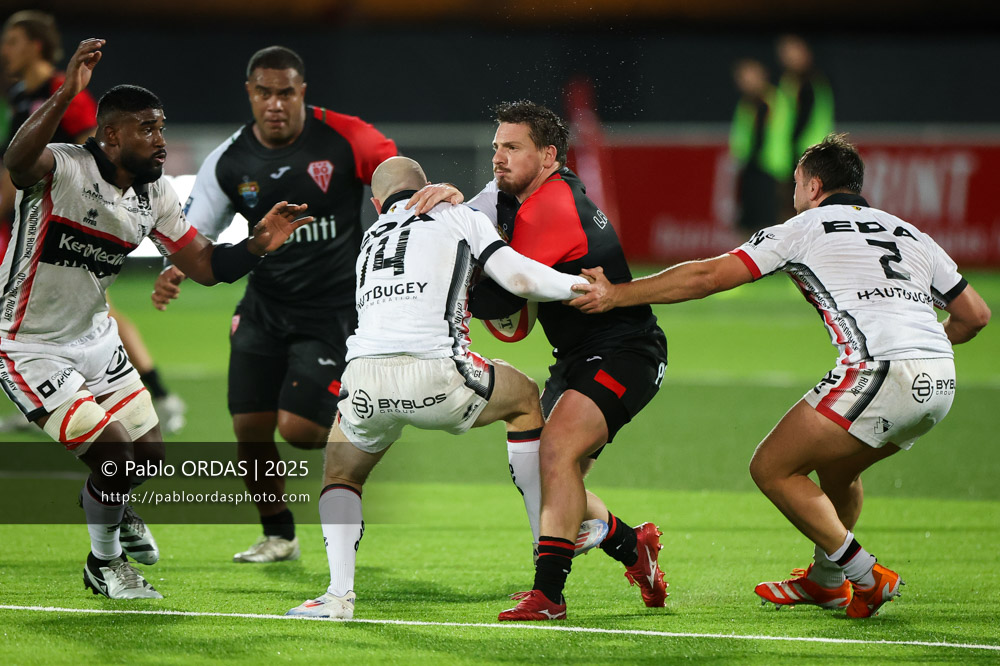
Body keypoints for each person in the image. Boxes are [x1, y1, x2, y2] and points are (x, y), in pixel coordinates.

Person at [569, 134, 990, 618]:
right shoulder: (910, 232)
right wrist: (927, 346)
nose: (793, 193)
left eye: (795, 183)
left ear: (813, 186)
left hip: (880, 372)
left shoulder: (803, 227)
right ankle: (827, 582)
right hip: (941, 383)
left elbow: (708, 276)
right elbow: (975, 315)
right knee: (837, 469)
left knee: (771, 467)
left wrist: (618, 294)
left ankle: (864, 574)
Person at [1, 38, 313, 599]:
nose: (161, 141)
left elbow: (206, 265)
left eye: (162, 127)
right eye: (148, 129)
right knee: (117, 455)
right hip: (28, 344)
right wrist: (66, 91)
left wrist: (257, 245)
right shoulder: (65, 168)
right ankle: (106, 565)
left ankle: (110, 507)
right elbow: (17, 161)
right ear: (112, 135)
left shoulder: (154, 193)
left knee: (147, 456)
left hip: (95, 337)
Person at [286, 156, 597, 619]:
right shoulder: (458, 214)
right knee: (526, 398)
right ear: (429, 188)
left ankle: (336, 596)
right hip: (439, 374)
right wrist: (580, 287)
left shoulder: (370, 239)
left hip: (365, 378)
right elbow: (516, 276)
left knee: (341, 475)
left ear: (376, 204)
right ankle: (544, 559)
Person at [407, 101, 669, 621]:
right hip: (576, 356)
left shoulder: (551, 205)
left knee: (554, 455)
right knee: (548, 479)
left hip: (625, 351)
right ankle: (631, 546)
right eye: (496, 147)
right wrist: (453, 200)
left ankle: (548, 597)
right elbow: (480, 207)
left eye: (512, 147)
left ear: (548, 155)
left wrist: (446, 289)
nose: (498, 158)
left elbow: (505, 302)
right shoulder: (519, 196)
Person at [151, 46, 397, 564]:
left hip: (332, 311)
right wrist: (175, 267)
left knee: (301, 431)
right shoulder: (230, 160)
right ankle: (279, 535)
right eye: (265, 92)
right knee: (250, 429)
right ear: (251, 94)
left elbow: (394, 168)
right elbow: (198, 233)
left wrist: (419, 194)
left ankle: (374, 416)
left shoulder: (346, 137)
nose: (276, 103)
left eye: (286, 92)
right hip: (264, 307)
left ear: (302, 91)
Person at [0, 10, 186, 435]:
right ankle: (48, 392)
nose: (4, 49)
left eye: (12, 40)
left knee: (93, 312)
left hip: (72, 222)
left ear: (36, 45)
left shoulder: (63, 92)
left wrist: (101, 207)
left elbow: (95, 155)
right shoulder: (21, 95)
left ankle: (156, 391)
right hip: (29, 221)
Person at [773, 35, 835, 218]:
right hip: (793, 156)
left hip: (809, 155)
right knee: (790, 209)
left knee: (807, 210)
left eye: (793, 52)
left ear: (805, 52)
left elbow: (804, 120)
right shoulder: (790, 82)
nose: (788, 58)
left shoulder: (810, 82)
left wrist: (793, 146)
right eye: (784, 54)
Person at [729, 59, 784, 233]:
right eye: (742, 78)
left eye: (749, 76)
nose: (746, 82)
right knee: (747, 222)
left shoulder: (773, 101)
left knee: (770, 222)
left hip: (772, 168)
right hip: (751, 167)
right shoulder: (746, 103)